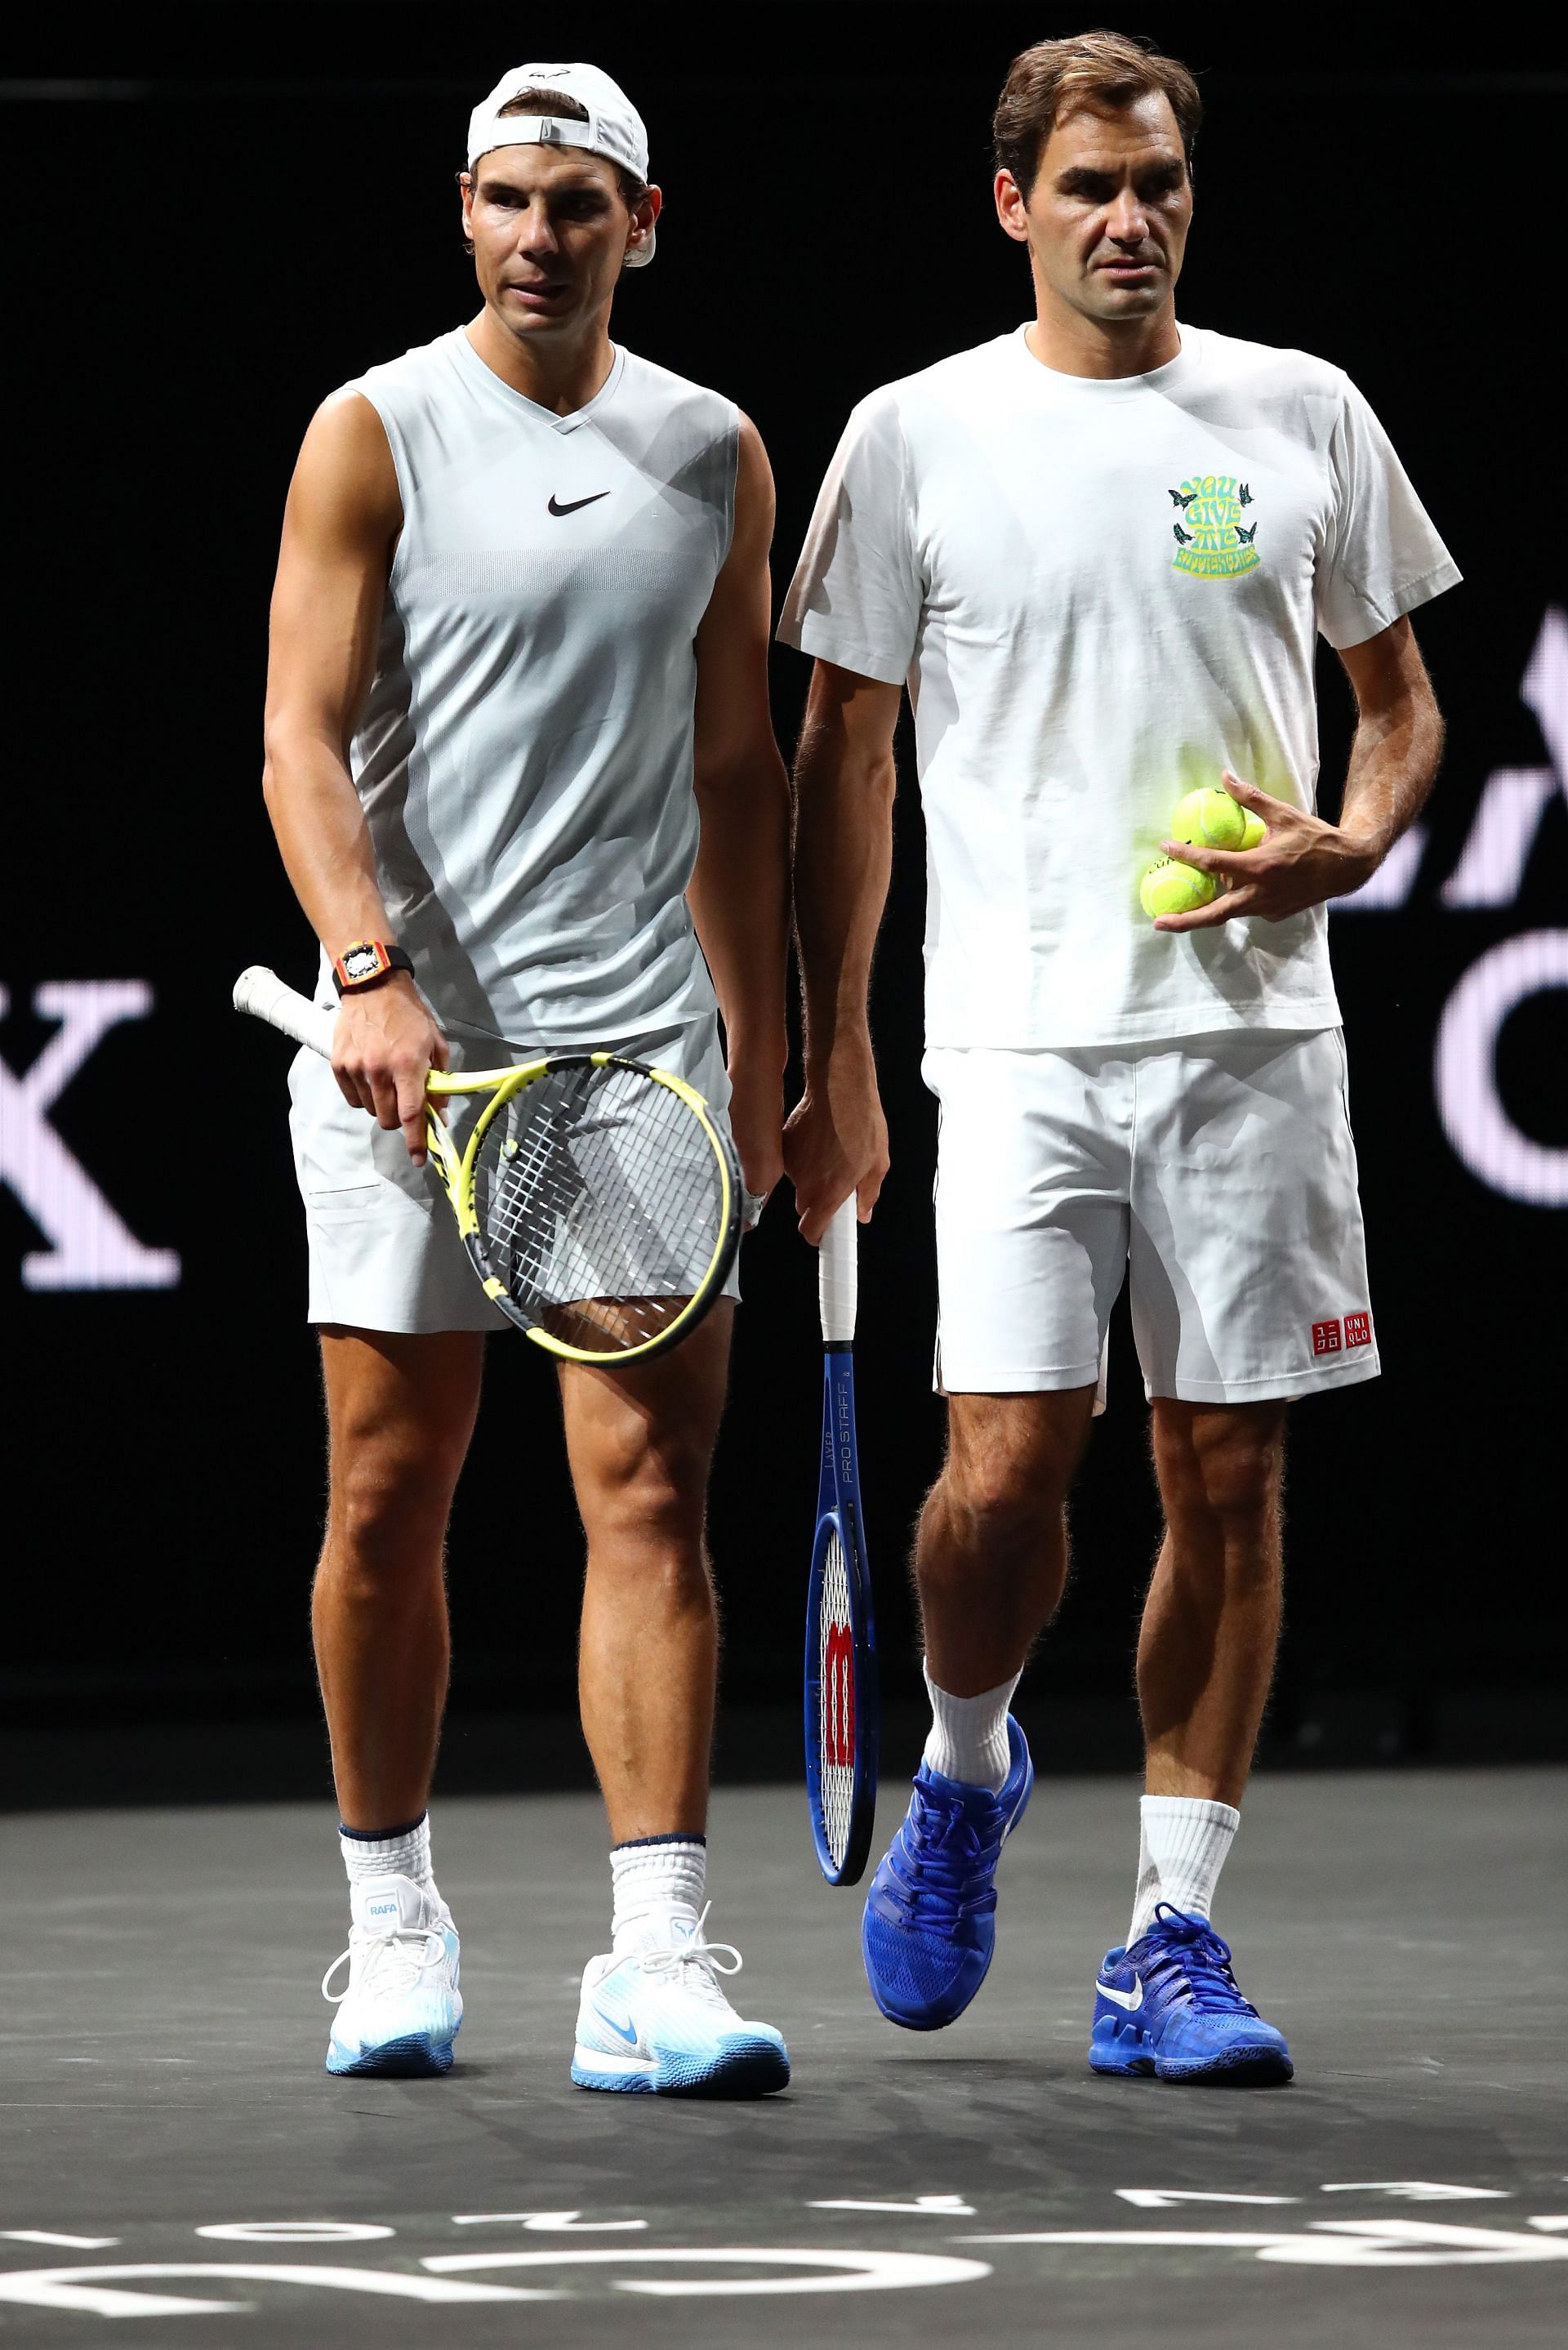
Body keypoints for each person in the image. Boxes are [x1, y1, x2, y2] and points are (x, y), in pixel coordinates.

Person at [779, 29, 1454, 2082]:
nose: (1131, 217)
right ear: (1015, 205)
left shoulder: (1301, 409)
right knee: (1005, 1471)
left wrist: (1362, 834)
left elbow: (1402, 704)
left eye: (1157, 182)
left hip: (1255, 1043)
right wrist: (842, 1061)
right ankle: (970, 1762)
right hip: (1017, 1048)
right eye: (1089, 186)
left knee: (1226, 1474)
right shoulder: (912, 435)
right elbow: (846, 759)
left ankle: (1173, 1930)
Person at [261, 60, 792, 2095]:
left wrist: (770, 1058)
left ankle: (651, 1959)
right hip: (409, 1059)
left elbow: (739, 777)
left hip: (633, 1059)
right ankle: (390, 1923)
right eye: (507, 199)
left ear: (642, 224)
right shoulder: (372, 432)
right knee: (389, 1500)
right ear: (462, 212)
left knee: (649, 1495)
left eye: (580, 202)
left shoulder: (715, 451)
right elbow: (301, 743)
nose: (539, 236)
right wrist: (373, 970)